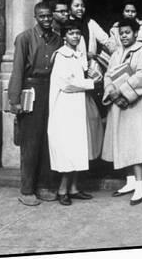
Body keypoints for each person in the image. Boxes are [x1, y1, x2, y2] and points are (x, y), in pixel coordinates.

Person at [8, 1, 62, 206]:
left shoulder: (58, 39)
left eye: (49, 16)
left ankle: (45, 185)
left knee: (48, 140)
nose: (47, 19)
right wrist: (15, 100)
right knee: (30, 142)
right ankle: (27, 189)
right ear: (35, 17)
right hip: (31, 90)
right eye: (42, 16)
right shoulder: (24, 38)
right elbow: (18, 69)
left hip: (52, 90)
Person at [102, 18, 142, 206]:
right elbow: (108, 75)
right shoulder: (116, 53)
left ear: (135, 33)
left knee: (137, 142)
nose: (124, 36)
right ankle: (130, 181)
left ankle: (140, 184)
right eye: (122, 33)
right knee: (123, 141)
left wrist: (122, 91)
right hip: (118, 103)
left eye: (128, 32)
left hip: (136, 105)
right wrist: (111, 91)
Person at [48, 19, 96, 206]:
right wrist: (91, 83)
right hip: (64, 108)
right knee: (68, 149)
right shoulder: (61, 56)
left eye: (77, 33)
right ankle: (62, 190)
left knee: (78, 147)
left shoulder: (78, 55)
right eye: (71, 33)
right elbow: (67, 84)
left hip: (77, 106)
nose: (75, 36)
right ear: (64, 36)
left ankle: (74, 188)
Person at [67, 0, 113, 161]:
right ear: (70, 7)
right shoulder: (66, 27)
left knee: (95, 117)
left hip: (91, 72)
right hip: (73, 74)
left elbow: (107, 40)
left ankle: (95, 157)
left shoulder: (90, 23)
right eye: (76, 6)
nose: (80, 9)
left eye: (82, 6)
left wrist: (116, 54)